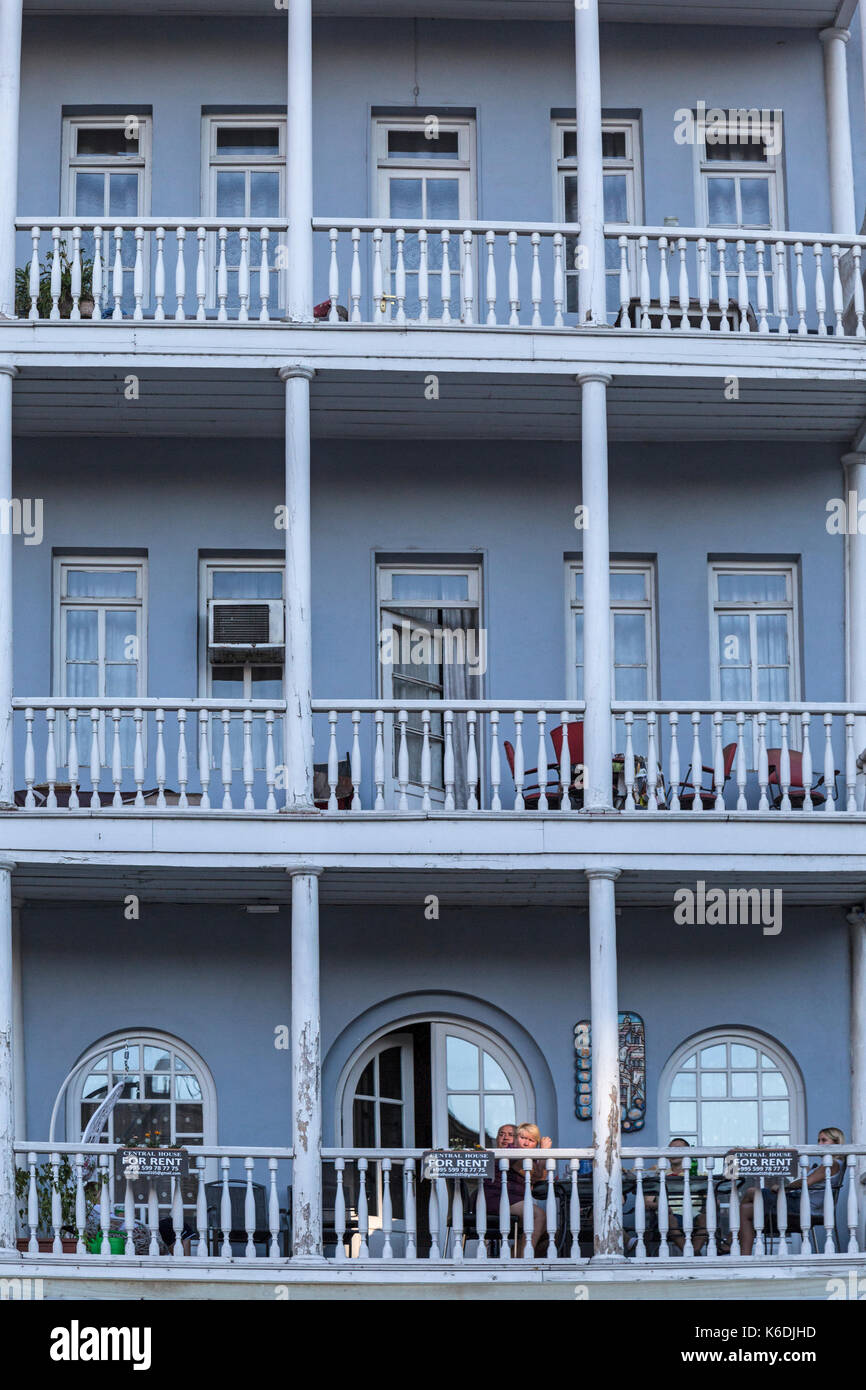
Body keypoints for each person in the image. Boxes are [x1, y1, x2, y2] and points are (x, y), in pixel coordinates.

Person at [731, 1127, 845, 1256]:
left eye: (824, 1140)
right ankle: (743, 1256)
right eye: (819, 1140)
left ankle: (731, 1239)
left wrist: (782, 1189)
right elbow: (808, 1180)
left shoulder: (832, 1164)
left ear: (836, 1143)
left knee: (752, 1191)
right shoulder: (828, 1164)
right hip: (799, 1203)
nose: (819, 1144)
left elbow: (806, 1182)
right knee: (746, 1209)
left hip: (803, 1207)